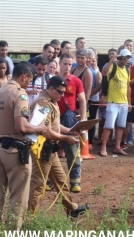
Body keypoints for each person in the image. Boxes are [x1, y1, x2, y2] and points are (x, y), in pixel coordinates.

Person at [0, 61, 47, 230]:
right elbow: (21, 126)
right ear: (24, 76)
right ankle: (14, 233)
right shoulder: (19, 95)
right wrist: (39, 128)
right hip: (14, 150)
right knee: (18, 194)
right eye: (29, 81)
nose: (29, 85)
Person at [27, 76, 89, 217]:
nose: (62, 95)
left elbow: (55, 125)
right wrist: (66, 138)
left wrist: (71, 130)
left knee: (61, 181)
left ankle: (71, 209)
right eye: (60, 92)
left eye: (64, 92)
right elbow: (46, 131)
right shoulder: (42, 104)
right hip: (42, 149)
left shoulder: (51, 101)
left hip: (51, 149)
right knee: (38, 185)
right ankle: (29, 217)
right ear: (50, 88)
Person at [57, 53, 86, 192]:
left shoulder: (76, 81)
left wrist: (83, 119)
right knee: (50, 150)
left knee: (73, 150)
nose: (67, 67)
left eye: (70, 64)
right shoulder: (53, 80)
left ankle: (75, 181)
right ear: (60, 64)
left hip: (70, 118)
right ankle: (51, 181)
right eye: (65, 64)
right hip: (54, 117)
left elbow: (82, 99)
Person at [87, 48, 102, 149]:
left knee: (91, 121)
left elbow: (98, 87)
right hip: (82, 100)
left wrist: (86, 97)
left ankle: (90, 142)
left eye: (90, 58)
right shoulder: (77, 68)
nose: (88, 60)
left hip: (92, 101)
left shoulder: (96, 72)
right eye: (86, 58)